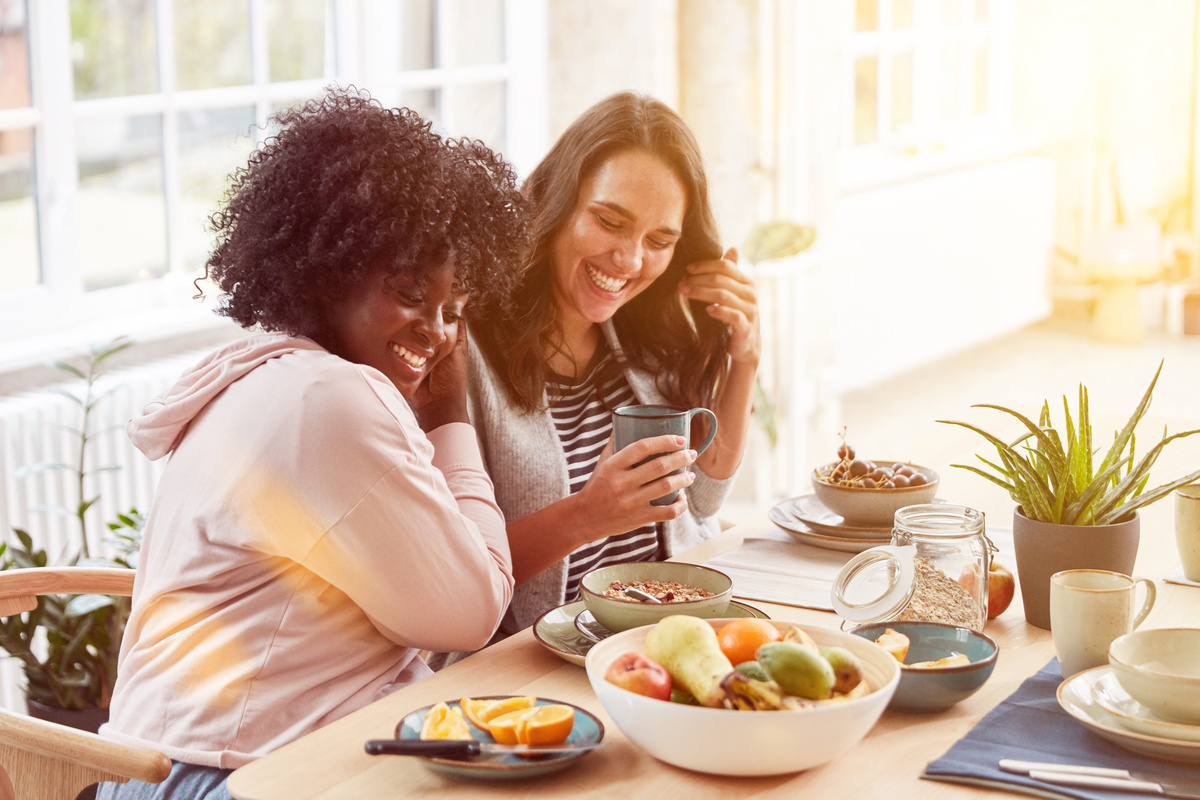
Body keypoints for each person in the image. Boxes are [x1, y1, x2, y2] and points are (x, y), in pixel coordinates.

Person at [96, 86, 528, 800]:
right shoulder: (329, 401)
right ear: (330, 270)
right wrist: (452, 416)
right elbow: (474, 608)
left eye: (456, 310)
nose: (440, 333)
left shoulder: (266, 374)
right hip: (229, 779)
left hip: (177, 766)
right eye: (411, 293)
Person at [446, 90, 760, 652]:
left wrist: (746, 360)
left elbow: (706, 499)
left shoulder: (646, 331)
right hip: (538, 664)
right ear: (558, 202)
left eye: (659, 240)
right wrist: (588, 515)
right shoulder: (468, 350)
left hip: (670, 638)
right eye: (610, 221)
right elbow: (457, 574)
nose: (631, 260)